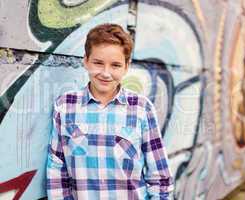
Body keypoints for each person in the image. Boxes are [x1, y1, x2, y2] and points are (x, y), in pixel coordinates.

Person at [46, 23, 173, 199]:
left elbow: (159, 176)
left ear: (126, 67)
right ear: (86, 61)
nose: (106, 73)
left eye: (115, 65)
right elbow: (57, 173)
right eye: (98, 63)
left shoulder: (141, 108)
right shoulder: (65, 106)